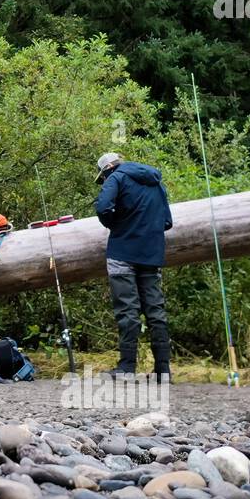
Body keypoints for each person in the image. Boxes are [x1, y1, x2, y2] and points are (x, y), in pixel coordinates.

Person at [93, 152, 173, 379]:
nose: (104, 181)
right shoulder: (156, 182)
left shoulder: (116, 178)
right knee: (156, 311)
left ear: (108, 168)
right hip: (152, 254)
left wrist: (118, 226)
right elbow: (167, 222)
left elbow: (102, 209)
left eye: (103, 177)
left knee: (127, 311)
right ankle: (163, 370)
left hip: (122, 253)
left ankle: (127, 367)